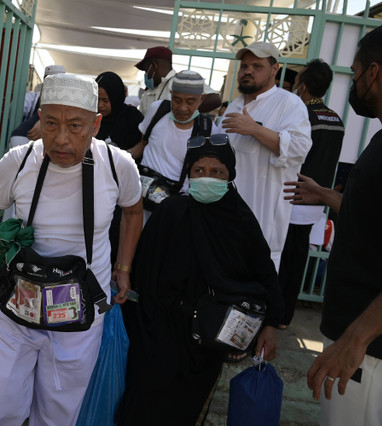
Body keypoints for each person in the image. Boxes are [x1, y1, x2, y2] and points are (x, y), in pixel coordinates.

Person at [0, 73, 143, 425]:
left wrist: (124, 268)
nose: (62, 139)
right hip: (18, 303)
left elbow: (133, 211)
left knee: (58, 411)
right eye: (51, 124)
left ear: (96, 124)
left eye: (75, 126)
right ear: (39, 118)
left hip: (79, 313)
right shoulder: (19, 160)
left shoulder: (118, 166)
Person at [117, 135, 281, 425]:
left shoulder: (241, 222)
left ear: (230, 175)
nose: (207, 178)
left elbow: (265, 275)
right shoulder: (171, 212)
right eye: (198, 171)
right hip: (157, 333)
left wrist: (269, 324)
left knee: (183, 410)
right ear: (188, 174)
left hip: (206, 341)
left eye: (216, 172)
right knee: (143, 406)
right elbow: (142, 274)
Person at [284, 24, 382, 426]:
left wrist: (355, 338)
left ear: (374, 73)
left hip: (368, 352)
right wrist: (327, 195)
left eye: (356, 73)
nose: (355, 83)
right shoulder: (378, 140)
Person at [221, 41, 312, 269]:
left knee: (253, 296)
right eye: (244, 66)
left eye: (257, 66)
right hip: (226, 219)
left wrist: (255, 129)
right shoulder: (235, 105)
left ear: (275, 69)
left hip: (262, 224)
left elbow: (300, 147)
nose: (248, 71)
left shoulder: (289, 103)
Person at [278, 59, 344, 329]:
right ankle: (284, 317)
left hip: (293, 194)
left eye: (295, 83)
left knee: (281, 257)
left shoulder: (302, 115)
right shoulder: (335, 119)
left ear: (302, 86)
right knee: (298, 257)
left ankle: (273, 313)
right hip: (317, 199)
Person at [129, 70, 224, 221]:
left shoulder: (208, 130)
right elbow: (142, 145)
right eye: (177, 100)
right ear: (171, 94)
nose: (182, 108)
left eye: (190, 101)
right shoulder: (157, 110)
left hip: (175, 211)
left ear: (201, 99)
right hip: (140, 202)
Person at [136, 46, 221, 116]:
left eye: (146, 69)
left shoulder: (181, 80)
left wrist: (182, 112)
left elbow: (215, 100)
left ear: (153, 65)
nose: (145, 74)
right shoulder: (147, 93)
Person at [9, 64, 66, 148]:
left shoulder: (67, 101)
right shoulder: (32, 97)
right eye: (50, 81)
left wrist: (43, 123)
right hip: (25, 141)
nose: (54, 86)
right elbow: (12, 111)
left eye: (58, 82)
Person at [96, 71, 144, 151]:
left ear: (116, 98)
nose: (100, 105)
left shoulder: (132, 117)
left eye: (105, 100)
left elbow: (141, 146)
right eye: (97, 99)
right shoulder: (92, 116)